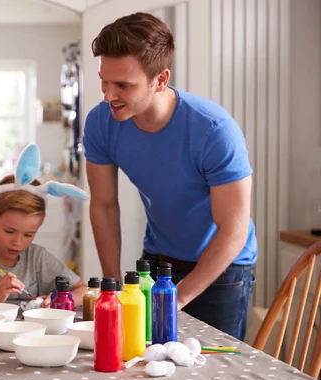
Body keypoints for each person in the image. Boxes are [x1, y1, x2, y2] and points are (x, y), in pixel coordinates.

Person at [83, 13, 257, 340]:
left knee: (212, 378)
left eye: (123, 85)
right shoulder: (100, 123)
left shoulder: (214, 130)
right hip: (157, 263)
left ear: (160, 80)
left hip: (221, 270)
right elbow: (104, 205)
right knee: (144, 358)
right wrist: (112, 287)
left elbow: (233, 229)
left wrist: (180, 298)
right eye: (104, 80)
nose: (108, 95)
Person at [0, 143, 88, 310]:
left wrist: (59, 299)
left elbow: (83, 290)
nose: (17, 242)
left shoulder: (37, 257)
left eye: (29, 234)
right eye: (9, 231)